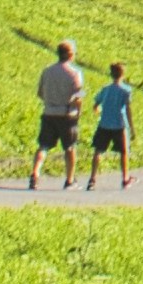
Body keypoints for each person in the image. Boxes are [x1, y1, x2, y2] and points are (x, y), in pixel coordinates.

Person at [30, 41, 86, 189]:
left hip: (49, 112)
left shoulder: (47, 71)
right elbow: (78, 96)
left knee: (43, 145)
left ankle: (35, 173)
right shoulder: (75, 73)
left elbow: (40, 93)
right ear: (70, 54)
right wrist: (78, 112)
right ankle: (69, 180)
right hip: (67, 114)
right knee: (69, 147)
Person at [84, 62, 135, 189]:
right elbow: (128, 109)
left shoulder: (105, 89)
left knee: (98, 151)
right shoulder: (126, 90)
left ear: (111, 74)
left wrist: (99, 111)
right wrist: (132, 128)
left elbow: (96, 105)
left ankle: (92, 179)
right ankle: (125, 178)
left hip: (104, 123)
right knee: (123, 152)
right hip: (119, 124)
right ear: (123, 74)